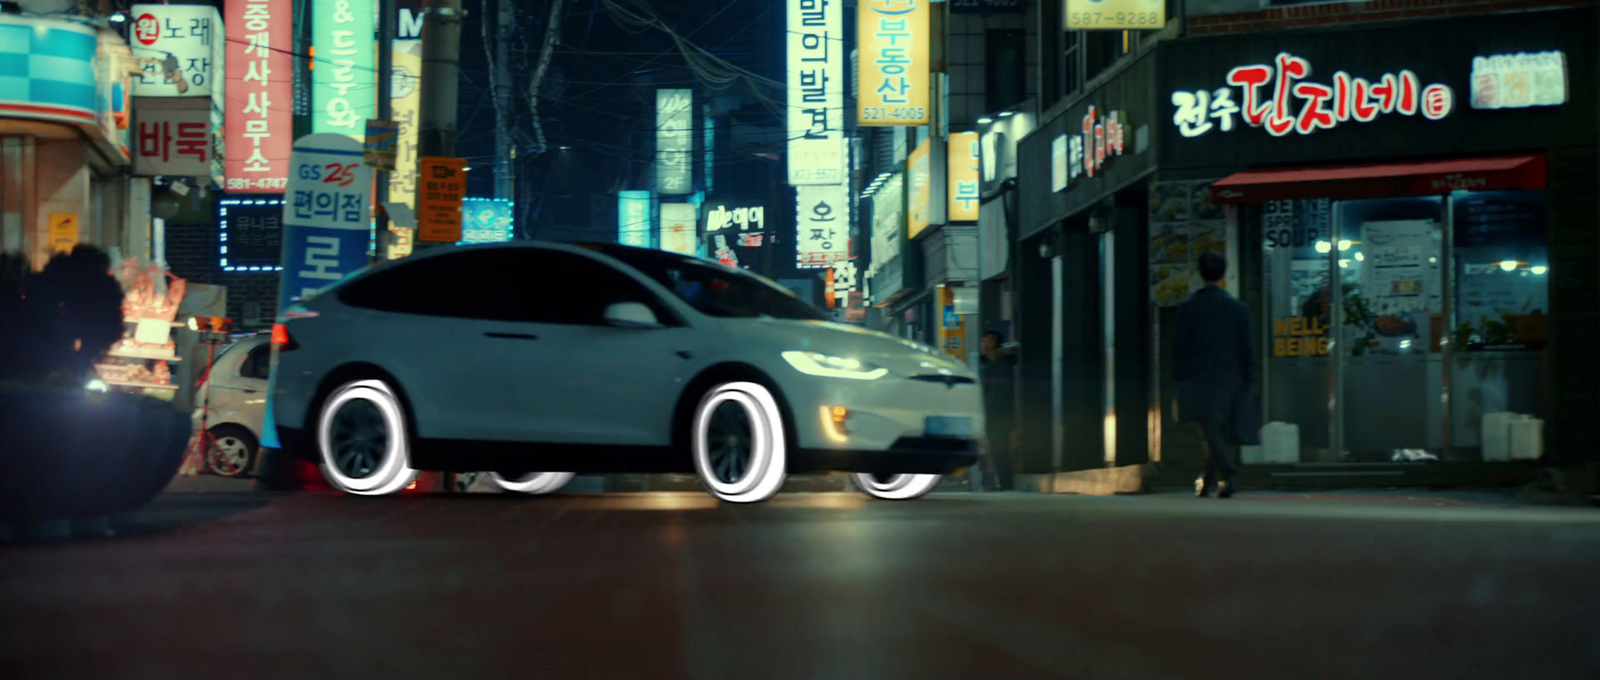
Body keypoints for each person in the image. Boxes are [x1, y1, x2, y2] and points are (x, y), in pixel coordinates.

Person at [1173, 252, 1256, 499]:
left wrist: (1179, 380)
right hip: (1233, 378)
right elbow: (1248, 347)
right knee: (1220, 430)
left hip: (1198, 379)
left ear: (1200, 273)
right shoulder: (1239, 309)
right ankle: (1210, 479)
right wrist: (1249, 378)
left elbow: (1179, 348)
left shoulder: (1187, 309)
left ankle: (1228, 476)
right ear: (1223, 273)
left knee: (1210, 430)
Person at [979, 329, 1018, 491]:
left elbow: (999, 393)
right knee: (997, 451)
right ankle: (1002, 482)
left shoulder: (1001, 365)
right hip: (994, 414)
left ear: (996, 344)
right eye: (984, 341)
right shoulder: (989, 364)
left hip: (999, 415)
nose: (985, 345)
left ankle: (1006, 483)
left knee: (1000, 450)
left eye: (989, 341)